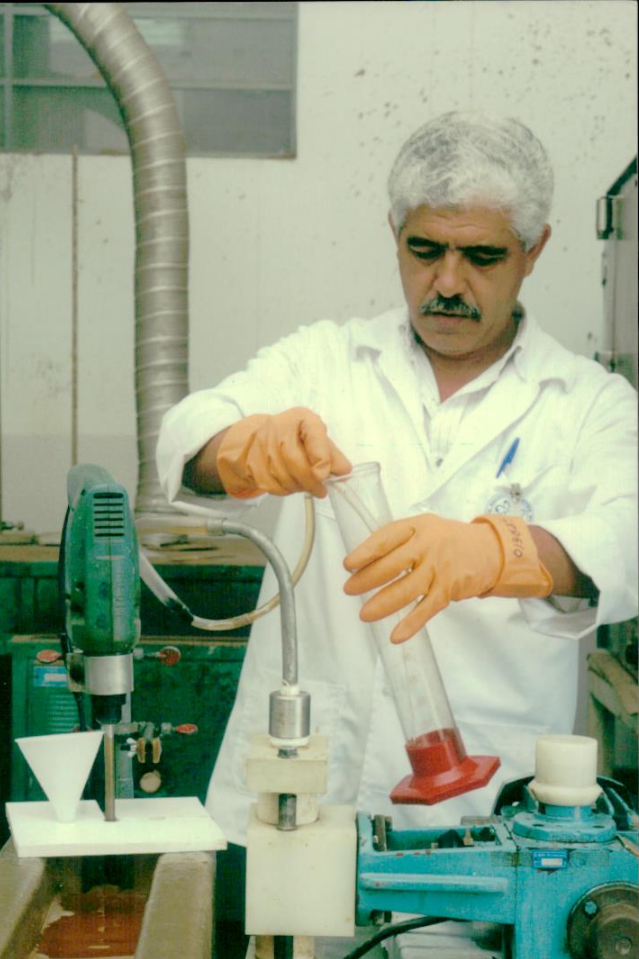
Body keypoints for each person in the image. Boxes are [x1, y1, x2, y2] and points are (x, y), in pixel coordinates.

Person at [156, 112, 638, 849]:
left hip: (485, 821)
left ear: (534, 250)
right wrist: (241, 449)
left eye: (482, 256)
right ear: (394, 233)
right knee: (283, 922)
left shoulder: (588, 404)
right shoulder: (325, 361)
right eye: (425, 250)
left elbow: (628, 535)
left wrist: (500, 552)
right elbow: (189, 433)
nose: (447, 283)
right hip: (301, 796)